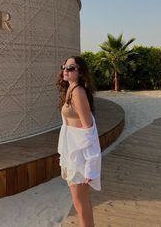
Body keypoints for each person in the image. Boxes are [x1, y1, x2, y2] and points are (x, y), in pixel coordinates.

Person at [57, 56, 101, 227]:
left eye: (71, 68)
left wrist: (91, 164)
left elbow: (89, 129)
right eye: (64, 67)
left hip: (80, 156)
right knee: (80, 202)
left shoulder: (77, 92)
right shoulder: (70, 89)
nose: (66, 70)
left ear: (81, 72)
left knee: (80, 203)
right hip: (72, 152)